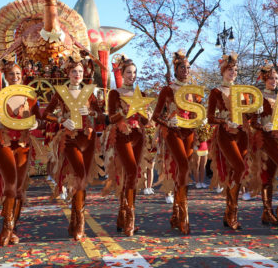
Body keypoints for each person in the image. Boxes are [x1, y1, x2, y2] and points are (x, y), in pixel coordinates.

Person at [43, 55, 103, 241]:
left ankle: (75, 220)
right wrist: (61, 119)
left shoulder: (89, 92)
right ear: (67, 73)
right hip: (69, 139)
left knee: (82, 178)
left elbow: (100, 115)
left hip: (88, 138)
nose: (77, 74)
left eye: (80, 71)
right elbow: (46, 113)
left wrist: (92, 112)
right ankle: (81, 223)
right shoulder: (60, 92)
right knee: (80, 175)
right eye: (73, 71)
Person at [0, 60, 41, 246]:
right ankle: (7, 227)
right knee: (10, 183)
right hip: (4, 142)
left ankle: (13, 229)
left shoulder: (30, 97)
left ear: (22, 76)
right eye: (11, 75)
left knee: (18, 189)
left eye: (18, 74)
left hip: (24, 144)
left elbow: (40, 119)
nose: (15, 78)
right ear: (5, 77)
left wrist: (36, 124)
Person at [103, 55, 151, 236]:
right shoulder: (115, 93)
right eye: (129, 72)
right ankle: (130, 219)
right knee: (130, 171)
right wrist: (125, 112)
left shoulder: (142, 95)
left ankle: (122, 215)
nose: (132, 75)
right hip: (122, 136)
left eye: (134, 73)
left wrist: (146, 114)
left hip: (138, 136)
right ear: (122, 74)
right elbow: (110, 117)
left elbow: (145, 121)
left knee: (133, 174)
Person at [151, 49, 198, 235]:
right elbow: (156, 116)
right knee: (183, 167)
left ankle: (176, 213)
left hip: (189, 133)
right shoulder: (168, 89)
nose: (186, 70)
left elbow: (196, 113)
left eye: (188, 68)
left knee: (183, 170)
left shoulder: (194, 91)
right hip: (172, 132)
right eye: (182, 68)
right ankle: (184, 215)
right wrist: (168, 121)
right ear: (176, 69)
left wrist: (198, 120)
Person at [207, 53, 250, 231]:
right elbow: (210, 117)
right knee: (239, 168)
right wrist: (224, 121)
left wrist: (257, 110)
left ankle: (229, 213)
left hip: (242, 134)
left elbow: (248, 114)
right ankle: (232, 212)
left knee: (237, 170)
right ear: (223, 71)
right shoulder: (216, 92)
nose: (233, 72)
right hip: (225, 134)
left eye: (236, 70)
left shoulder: (243, 92)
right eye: (230, 69)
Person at [250, 64, 278, 227]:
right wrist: (263, 126)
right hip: (265, 138)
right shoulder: (259, 97)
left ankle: (267, 212)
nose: (274, 81)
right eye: (270, 79)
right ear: (264, 80)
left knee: (268, 176)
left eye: (276, 79)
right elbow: (253, 122)